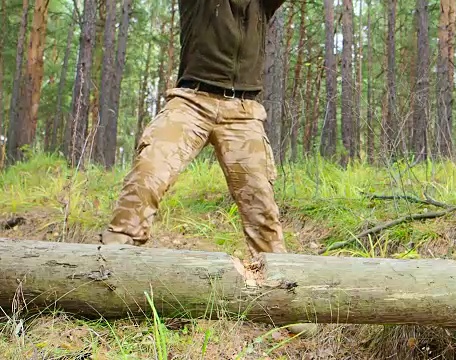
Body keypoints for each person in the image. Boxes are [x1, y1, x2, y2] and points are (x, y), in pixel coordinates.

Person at [100, 0, 317, 337]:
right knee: (149, 170)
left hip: (244, 110)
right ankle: (110, 273)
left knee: (261, 205)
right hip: (192, 101)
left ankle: (284, 300)